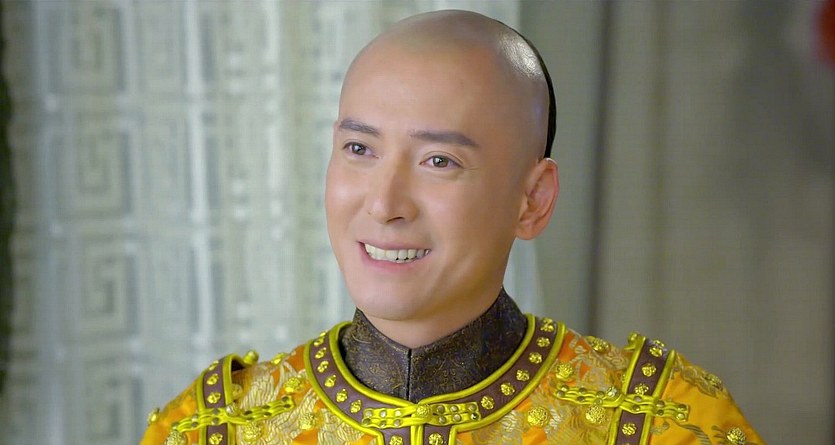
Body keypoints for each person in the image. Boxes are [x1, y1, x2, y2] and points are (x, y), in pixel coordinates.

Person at [141, 10, 762, 445]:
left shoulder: (663, 423)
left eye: (439, 161)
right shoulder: (213, 427)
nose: (385, 203)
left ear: (533, 200)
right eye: (359, 149)